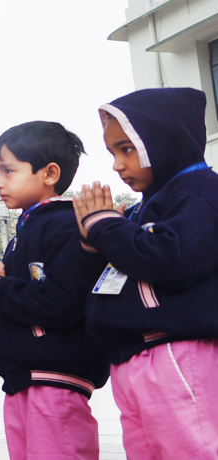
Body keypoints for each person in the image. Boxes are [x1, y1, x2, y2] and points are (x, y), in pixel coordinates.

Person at [75, 87, 218, 458]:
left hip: (176, 351)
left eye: (127, 148)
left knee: (192, 450)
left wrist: (106, 226)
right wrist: (97, 240)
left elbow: (173, 259)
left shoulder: (199, 193)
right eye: (112, 152)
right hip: (134, 356)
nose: (118, 165)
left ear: (164, 139)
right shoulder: (144, 207)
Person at [0, 121, 109, 460]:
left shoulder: (66, 223)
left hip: (56, 381)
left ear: (49, 173)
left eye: (8, 171)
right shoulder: (24, 231)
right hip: (21, 381)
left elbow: (64, 301)